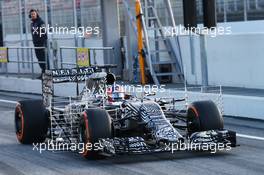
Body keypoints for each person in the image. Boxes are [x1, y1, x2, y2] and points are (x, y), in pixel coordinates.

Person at [29, 9, 49, 78]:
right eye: (31, 14)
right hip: (36, 44)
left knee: (44, 59)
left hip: (42, 44)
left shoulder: (41, 22)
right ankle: (43, 73)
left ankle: (47, 74)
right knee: (39, 59)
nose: (33, 15)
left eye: (34, 14)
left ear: (36, 14)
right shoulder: (32, 23)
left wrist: (44, 44)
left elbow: (45, 33)